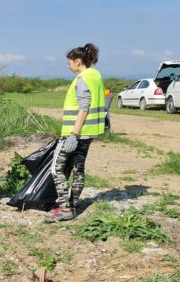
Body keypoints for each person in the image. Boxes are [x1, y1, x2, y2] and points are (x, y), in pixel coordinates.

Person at [45, 43, 106, 223]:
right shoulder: (96, 76)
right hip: (90, 133)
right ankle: (72, 204)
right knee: (79, 168)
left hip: (76, 133)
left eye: (69, 63)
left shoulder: (82, 78)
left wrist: (73, 134)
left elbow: (84, 108)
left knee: (57, 168)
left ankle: (65, 208)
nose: (68, 66)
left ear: (78, 62)